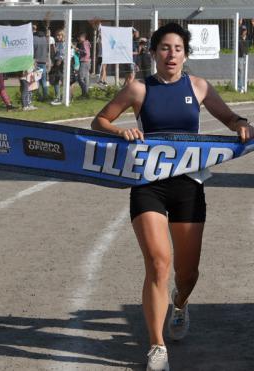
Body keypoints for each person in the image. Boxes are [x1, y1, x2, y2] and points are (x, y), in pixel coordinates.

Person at [90, 23, 253, 371]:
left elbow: (228, 117)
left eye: (178, 49)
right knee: (158, 262)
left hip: (188, 185)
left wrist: (241, 123)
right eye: (165, 48)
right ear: (153, 53)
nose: (171, 54)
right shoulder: (137, 89)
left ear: (185, 54)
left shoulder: (198, 87)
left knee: (187, 272)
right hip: (148, 182)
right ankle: (156, 346)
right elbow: (99, 121)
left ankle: (180, 304)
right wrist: (121, 130)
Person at [33, 22, 50, 101]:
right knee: (43, 80)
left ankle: (38, 96)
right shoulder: (45, 38)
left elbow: (32, 50)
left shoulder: (34, 38)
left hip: (36, 61)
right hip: (43, 61)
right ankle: (46, 96)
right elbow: (47, 50)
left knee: (36, 80)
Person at [50, 29, 66, 105]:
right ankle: (58, 96)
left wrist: (60, 59)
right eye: (57, 35)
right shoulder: (58, 43)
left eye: (59, 35)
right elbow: (57, 53)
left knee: (61, 79)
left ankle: (62, 97)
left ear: (63, 36)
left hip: (61, 62)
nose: (58, 37)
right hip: (57, 62)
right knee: (55, 79)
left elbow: (65, 53)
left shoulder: (64, 43)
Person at [76, 32, 91, 98]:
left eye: (79, 37)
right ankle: (85, 94)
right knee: (86, 78)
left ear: (83, 37)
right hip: (87, 61)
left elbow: (85, 52)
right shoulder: (87, 43)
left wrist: (78, 50)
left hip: (84, 61)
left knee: (80, 78)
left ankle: (85, 92)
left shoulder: (84, 43)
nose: (78, 39)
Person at [238, 26, 249, 93]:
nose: (244, 31)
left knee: (243, 72)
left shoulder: (247, 38)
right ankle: (240, 86)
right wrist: (239, 24)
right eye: (243, 30)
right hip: (240, 56)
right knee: (240, 71)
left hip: (246, 56)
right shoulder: (239, 38)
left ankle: (242, 85)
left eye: (245, 30)